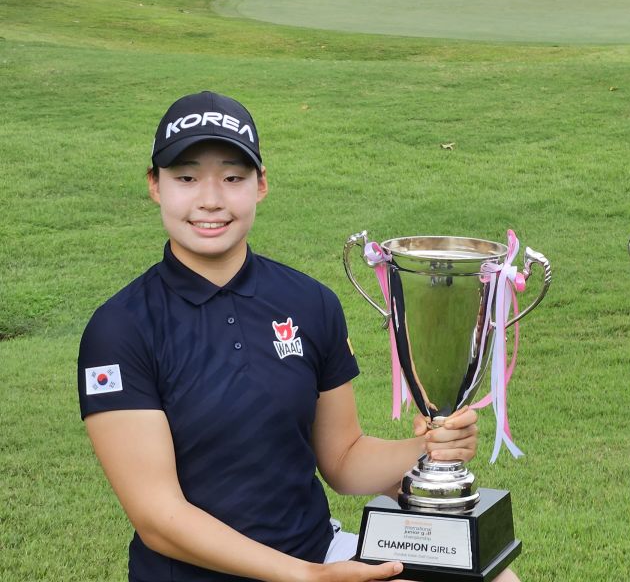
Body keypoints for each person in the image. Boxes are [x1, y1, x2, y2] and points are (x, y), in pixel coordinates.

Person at [78, 91, 514, 582]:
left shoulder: (308, 303)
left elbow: (344, 460)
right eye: (185, 178)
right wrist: (301, 576)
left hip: (317, 554)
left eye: (233, 178)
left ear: (260, 185)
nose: (211, 200)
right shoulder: (119, 329)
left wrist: (433, 446)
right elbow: (159, 518)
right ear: (155, 186)